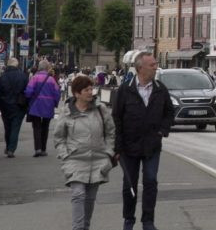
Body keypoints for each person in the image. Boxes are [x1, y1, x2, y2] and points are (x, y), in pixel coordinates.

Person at [112, 53, 175, 230]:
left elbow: (169, 113)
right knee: (129, 185)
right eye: (152, 64)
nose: (155, 67)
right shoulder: (125, 90)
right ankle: (129, 219)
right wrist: (117, 146)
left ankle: (148, 220)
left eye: (155, 64)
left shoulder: (160, 89)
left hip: (152, 145)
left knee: (150, 181)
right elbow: (116, 118)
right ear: (140, 68)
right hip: (129, 146)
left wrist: (163, 131)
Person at [54, 75, 116, 230]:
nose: (90, 92)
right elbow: (59, 137)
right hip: (75, 160)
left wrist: (108, 153)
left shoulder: (100, 110)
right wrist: (65, 155)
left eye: (91, 89)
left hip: (98, 160)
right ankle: (78, 228)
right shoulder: (67, 112)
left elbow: (111, 132)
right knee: (78, 194)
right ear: (76, 93)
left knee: (89, 199)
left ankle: (85, 227)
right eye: (86, 90)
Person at [0, 57, 29, 157]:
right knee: (15, 128)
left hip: (5, 106)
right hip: (19, 106)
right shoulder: (23, 76)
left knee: (7, 127)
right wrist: (26, 104)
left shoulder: (3, 77)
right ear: (17, 65)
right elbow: (28, 91)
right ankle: (11, 149)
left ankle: (8, 146)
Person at [24, 59, 61, 157]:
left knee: (36, 127)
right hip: (48, 106)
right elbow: (57, 93)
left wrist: (29, 99)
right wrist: (54, 103)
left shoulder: (34, 78)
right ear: (47, 68)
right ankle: (44, 149)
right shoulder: (51, 79)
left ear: (39, 68)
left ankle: (38, 149)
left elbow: (28, 92)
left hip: (36, 105)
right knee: (45, 127)